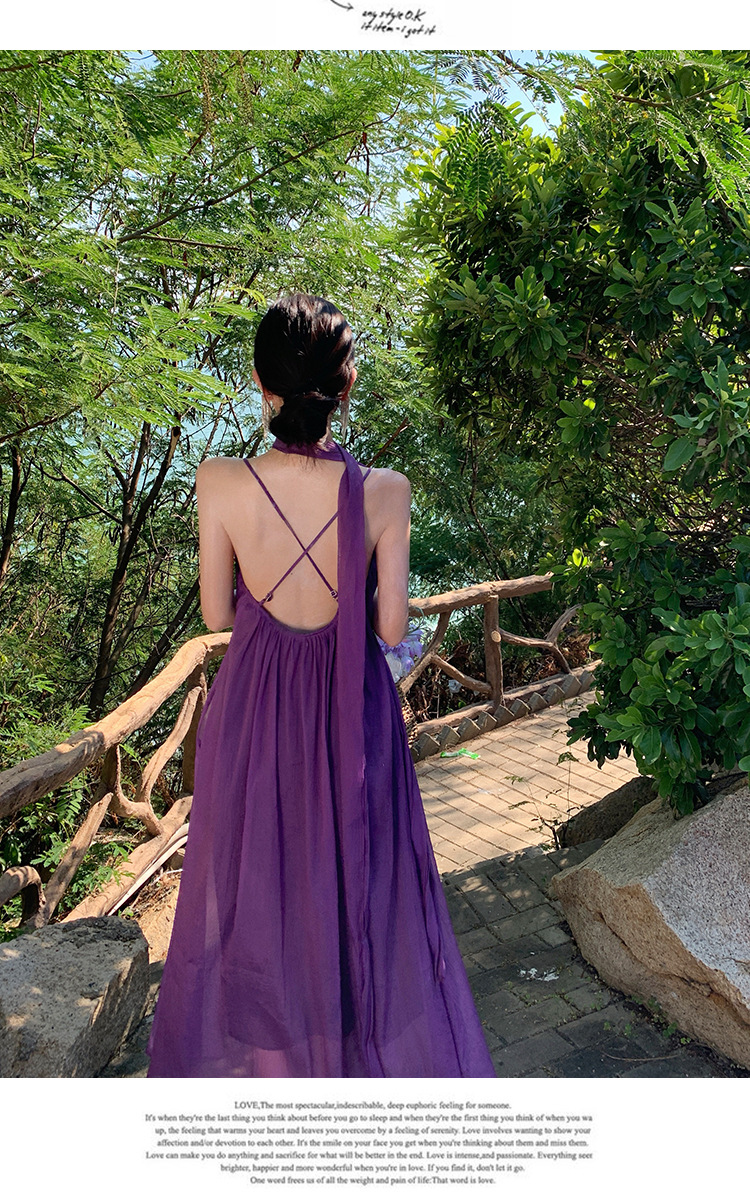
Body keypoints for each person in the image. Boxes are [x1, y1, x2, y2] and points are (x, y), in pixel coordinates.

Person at [145, 293, 495, 1077]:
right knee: (356, 873)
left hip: (258, 708)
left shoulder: (220, 479)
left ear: (261, 383)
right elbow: (393, 627)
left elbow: (216, 612)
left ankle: (281, 1055)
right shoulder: (386, 489)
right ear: (348, 383)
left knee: (263, 880)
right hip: (350, 710)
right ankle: (351, 1045)